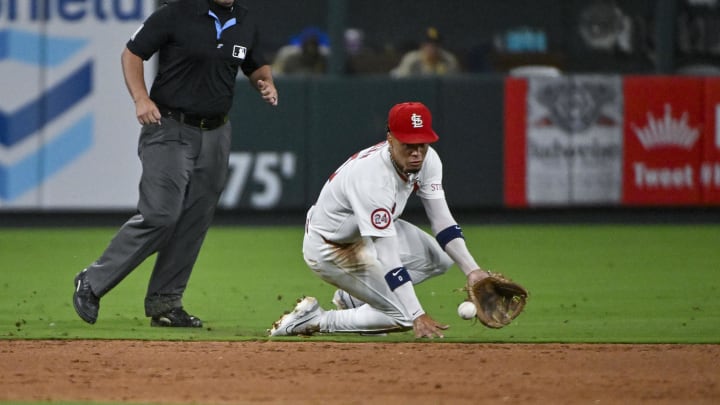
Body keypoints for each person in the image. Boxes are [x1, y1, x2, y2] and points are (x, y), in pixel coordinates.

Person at [72, 0, 278, 328]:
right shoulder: (177, 12)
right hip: (169, 126)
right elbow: (132, 53)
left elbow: (256, 65)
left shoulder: (245, 20)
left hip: (216, 132)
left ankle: (166, 303)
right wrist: (141, 97)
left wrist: (263, 82)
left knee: (193, 220)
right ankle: (92, 281)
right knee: (161, 215)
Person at [269, 102, 490, 339]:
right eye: (408, 145)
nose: (417, 153)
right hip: (331, 247)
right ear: (390, 139)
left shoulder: (429, 160)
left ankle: (352, 297)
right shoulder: (372, 179)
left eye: (422, 144)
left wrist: (473, 271)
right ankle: (316, 319)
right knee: (404, 315)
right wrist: (417, 313)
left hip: (365, 233)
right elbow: (387, 256)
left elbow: (442, 221)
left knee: (441, 258)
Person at [390, 27, 460, 78]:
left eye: (436, 44)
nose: (432, 47)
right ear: (422, 46)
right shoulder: (412, 59)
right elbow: (399, 78)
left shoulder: (448, 60)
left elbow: (455, 83)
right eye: (428, 44)